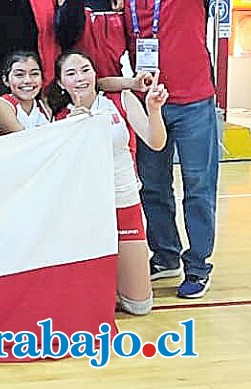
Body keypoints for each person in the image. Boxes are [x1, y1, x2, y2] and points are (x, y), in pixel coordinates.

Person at [118, 0, 242, 298]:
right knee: (152, 187)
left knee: (198, 187)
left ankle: (198, 263)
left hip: (193, 104)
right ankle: (166, 254)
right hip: (148, 105)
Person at [50, 50, 169, 315]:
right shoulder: (58, 117)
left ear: (96, 74)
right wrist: (73, 129)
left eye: (85, 70)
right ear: (60, 82)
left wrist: (154, 109)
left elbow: (156, 141)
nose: (80, 78)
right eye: (71, 73)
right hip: (85, 214)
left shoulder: (120, 100)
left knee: (140, 306)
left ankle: (118, 276)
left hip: (124, 204)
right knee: (90, 306)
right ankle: (104, 277)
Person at [0, 51, 50, 134]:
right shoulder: (0, 104)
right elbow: (24, 139)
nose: (28, 80)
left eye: (34, 74)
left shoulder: (44, 106)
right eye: (19, 75)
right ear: (5, 80)